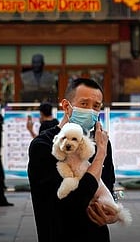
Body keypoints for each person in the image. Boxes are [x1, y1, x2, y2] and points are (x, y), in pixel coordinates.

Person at [28, 78, 118, 242]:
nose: (91, 111)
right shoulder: (44, 145)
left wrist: (112, 212)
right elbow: (72, 201)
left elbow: (109, 187)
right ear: (66, 106)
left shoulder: (101, 143)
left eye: (96, 106)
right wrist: (99, 156)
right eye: (84, 104)